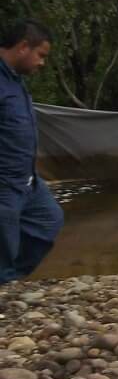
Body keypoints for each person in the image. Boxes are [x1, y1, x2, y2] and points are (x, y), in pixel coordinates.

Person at [0, 20, 63, 284]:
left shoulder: (14, 80)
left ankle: (10, 279)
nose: (42, 63)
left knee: (48, 220)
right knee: (4, 245)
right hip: (4, 185)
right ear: (24, 46)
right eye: (41, 55)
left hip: (27, 181)